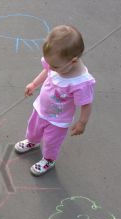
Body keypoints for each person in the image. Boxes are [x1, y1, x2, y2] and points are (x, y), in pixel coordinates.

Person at [15, 25, 96, 176]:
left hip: (58, 120)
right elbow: (46, 71)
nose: (51, 67)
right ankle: (32, 141)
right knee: (33, 129)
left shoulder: (80, 82)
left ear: (73, 61)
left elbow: (86, 104)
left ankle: (48, 160)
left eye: (55, 66)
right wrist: (34, 84)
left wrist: (82, 123)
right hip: (41, 108)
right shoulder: (57, 64)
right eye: (49, 63)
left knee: (52, 142)